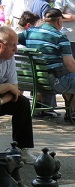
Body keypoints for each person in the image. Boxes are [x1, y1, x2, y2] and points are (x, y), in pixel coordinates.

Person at [18, 8, 75, 129]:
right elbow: (70, 63)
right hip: (53, 82)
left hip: (33, 81)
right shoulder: (60, 37)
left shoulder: (29, 32)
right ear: (59, 22)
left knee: (67, 75)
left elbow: (13, 39)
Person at [0, 26, 36, 164]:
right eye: (12, 45)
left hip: (1, 99)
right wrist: (7, 86)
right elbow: (11, 87)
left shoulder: (9, 59)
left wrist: (2, 101)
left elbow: (15, 89)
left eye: (17, 44)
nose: (16, 49)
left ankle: (21, 149)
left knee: (22, 103)